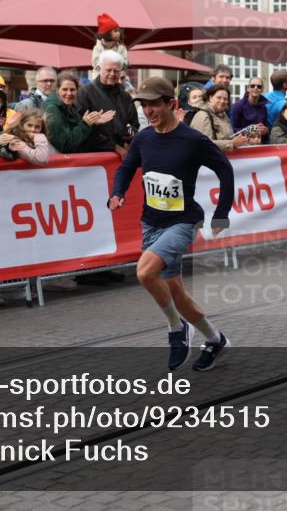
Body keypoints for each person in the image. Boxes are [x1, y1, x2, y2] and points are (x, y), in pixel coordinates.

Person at [109, 77, 235, 372]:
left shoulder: (192, 140)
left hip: (183, 222)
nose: (149, 110)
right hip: (151, 223)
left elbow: (224, 170)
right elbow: (127, 167)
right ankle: (215, 339)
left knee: (144, 272)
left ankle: (176, 329)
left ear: (171, 104)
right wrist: (117, 192)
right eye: (144, 104)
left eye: (155, 104)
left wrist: (222, 213)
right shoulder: (143, 138)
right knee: (175, 292)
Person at [77, 50, 140, 159]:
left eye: (116, 71)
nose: (112, 74)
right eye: (108, 70)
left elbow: (134, 124)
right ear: (99, 69)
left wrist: (129, 139)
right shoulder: (85, 93)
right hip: (95, 157)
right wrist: (115, 147)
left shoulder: (125, 96)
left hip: (124, 155)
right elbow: (84, 129)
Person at [45, 72, 114, 153]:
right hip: (61, 163)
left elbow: (83, 141)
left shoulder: (72, 107)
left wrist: (92, 124)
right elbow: (65, 145)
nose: (69, 93)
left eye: (72, 90)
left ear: (77, 90)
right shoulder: (52, 109)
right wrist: (85, 124)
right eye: (65, 89)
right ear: (57, 90)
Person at [189, 85, 259, 151]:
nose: (222, 101)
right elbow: (203, 144)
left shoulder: (223, 115)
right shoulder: (203, 115)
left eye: (225, 99)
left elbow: (228, 138)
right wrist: (232, 144)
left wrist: (241, 139)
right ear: (210, 98)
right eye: (219, 98)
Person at [90, 13, 129, 81]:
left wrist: (120, 66)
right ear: (107, 34)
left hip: (118, 78)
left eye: (118, 30)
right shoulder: (98, 47)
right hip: (99, 78)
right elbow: (95, 63)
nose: (118, 33)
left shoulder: (121, 47)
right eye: (115, 31)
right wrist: (107, 65)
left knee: (128, 88)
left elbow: (125, 62)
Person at [230, 76, 269, 140]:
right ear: (248, 88)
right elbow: (231, 131)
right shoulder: (238, 106)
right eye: (252, 86)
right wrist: (252, 129)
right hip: (241, 145)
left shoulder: (264, 108)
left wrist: (265, 131)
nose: (256, 88)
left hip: (258, 144)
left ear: (262, 90)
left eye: (259, 86)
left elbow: (265, 131)